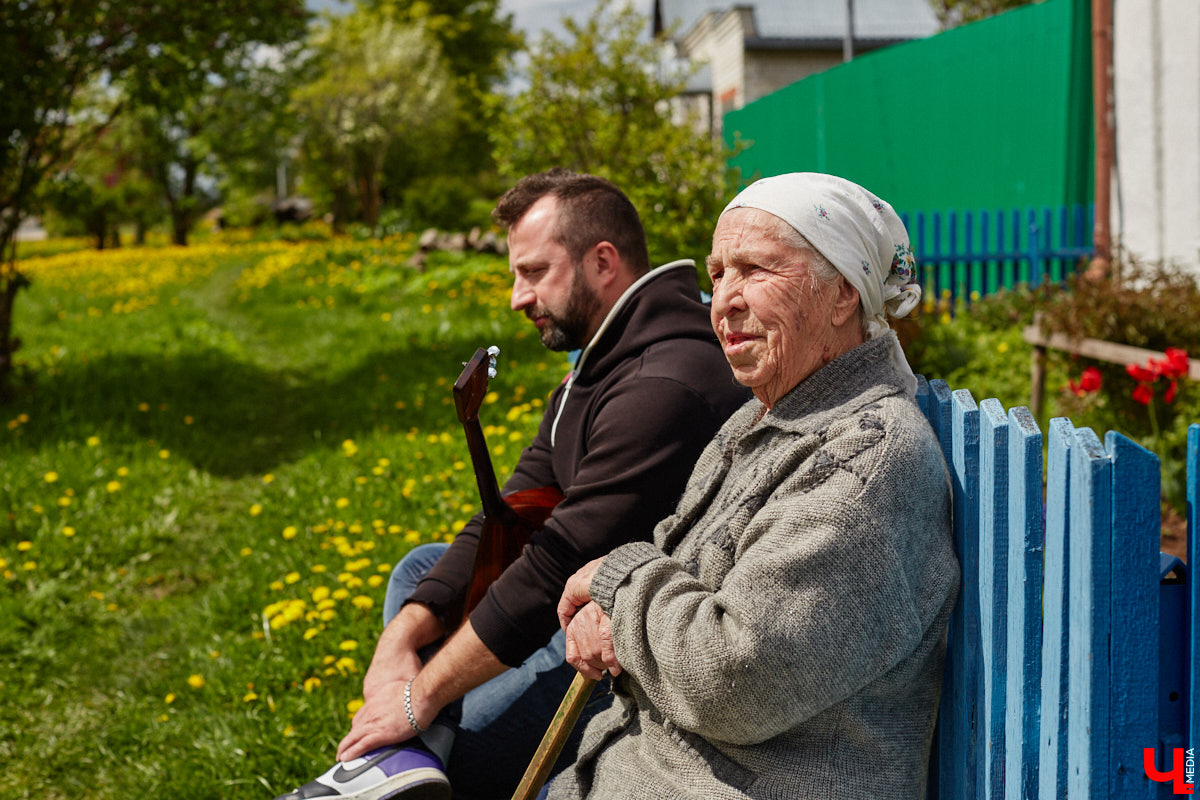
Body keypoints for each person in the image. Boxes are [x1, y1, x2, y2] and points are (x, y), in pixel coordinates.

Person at [273, 169, 749, 800]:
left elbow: (554, 564)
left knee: (464, 756)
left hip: (617, 657)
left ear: (602, 262)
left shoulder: (660, 386)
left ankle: (420, 757)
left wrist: (419, 698)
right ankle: (411, 762)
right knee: (422, 576)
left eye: (532, 272)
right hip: (563, 606)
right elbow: (513, 513)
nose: (517, 298)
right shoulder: (596, 369)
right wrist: (400, 640)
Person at [551, 172, 961, 800]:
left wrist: (616, 582)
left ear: (843, 294)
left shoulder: (865, 465)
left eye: (755, 271)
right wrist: (619, 605)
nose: (724, 302)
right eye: (718, 275)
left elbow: (735, 679)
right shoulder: (764, 417)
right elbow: (675, 563)